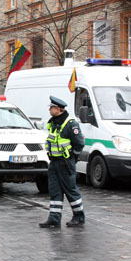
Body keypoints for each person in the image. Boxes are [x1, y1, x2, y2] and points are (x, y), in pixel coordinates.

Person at [39, 96, 85, 228]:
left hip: (65, 163)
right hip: (54, 162)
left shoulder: (71, 124)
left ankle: (79, 217)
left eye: (51, 107)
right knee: (55, 190)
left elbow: (79, 144)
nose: (49, 109)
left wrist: (72, 159)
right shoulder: (54, 122)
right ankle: (54, 218)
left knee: (71, 190)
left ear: (58, 109)